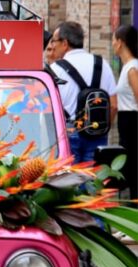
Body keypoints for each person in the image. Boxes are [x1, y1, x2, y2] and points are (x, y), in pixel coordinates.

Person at [49, 21, 117, 164]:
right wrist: (100, 128)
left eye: (54, 41)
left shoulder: (56, 69)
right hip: (96, 131)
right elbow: (113, 106)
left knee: (69, 181)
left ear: (65, 43)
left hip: (67, 132)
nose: (52, 45)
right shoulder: (102, 64)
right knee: (94, 181)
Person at [113, 24, 138, 198]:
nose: (113, 44)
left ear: (120, 43)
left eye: (114, 40)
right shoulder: (127, 67)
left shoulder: (132, 69)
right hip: (127, 122)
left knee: (133, 169)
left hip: (132, 123)